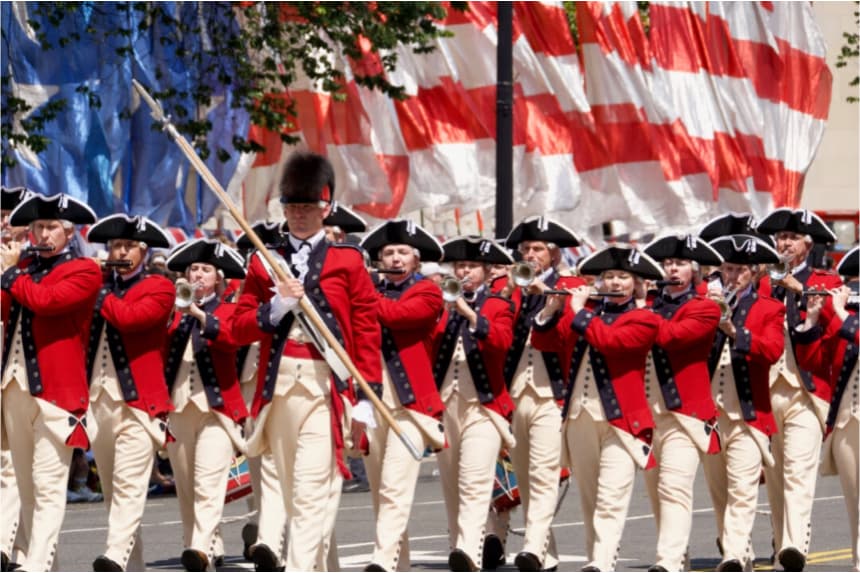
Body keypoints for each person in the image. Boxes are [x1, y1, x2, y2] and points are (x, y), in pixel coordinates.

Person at [233, 151, 381, 572]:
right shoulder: (265, 262)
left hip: (324, 387)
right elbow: (239, 326)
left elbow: (367, 331)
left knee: (313, 489)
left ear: (326, 208)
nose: (298, 215)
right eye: (292, 207)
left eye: (308, 207)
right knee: (286, 486)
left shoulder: (347, 261)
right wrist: (275, 308)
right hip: (277, 388)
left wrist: (369, 396)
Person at [532, 244, 662, 573]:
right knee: (589, 498)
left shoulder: (644, 318)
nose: (615, 283)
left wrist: (576, 309)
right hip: (579, 414)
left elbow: (610, 342)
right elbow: (547, 342)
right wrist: (550, 309)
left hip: (622, 421)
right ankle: (597, 561)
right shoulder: (586, 311)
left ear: (637, 284)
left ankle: (602, 564)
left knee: (611, 497)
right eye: (609, 277)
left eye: (623, 277)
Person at [0, 193, 101, 572]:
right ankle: (38, 562)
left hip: (57, 395)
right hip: (13, 388)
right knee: (24, 489)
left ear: (68, 232)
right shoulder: (21, 267)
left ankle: (35, 565)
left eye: (51, 228)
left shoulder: (85, 270)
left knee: (47, 487)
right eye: (38, 227)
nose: (43, 234)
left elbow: (47, 301)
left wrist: (10, 274)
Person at [484, 216, 585, 572]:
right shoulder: (509, 287)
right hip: (514, 391)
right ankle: (545, 554)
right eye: (525, 249)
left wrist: (551, 302)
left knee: (544, 473)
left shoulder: (571, 285)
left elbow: (565, 338)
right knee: (524, 477)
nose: (530, 254)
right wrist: (504, 292)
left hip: (551, 393)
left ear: (554, 255)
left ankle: (530, 546)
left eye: (538, 249)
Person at [83, 214, 176, 571]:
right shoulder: (101, 287)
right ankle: (129, 563)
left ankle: (113, 558)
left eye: (127, 246)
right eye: (114, 246)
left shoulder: (159, 287)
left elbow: (131, 319)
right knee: (112, 491)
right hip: (97, 400)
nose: (119, 252)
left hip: (140, 405)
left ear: (142, 250)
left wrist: (98, 289)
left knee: (128, 486)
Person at [355, 219, 446, 572]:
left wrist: (360, 293)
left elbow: (398, 315)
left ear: (416, 260)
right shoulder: (371, 292)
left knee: (395, 486)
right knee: (381, 491)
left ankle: (380, 561)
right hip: (370, 400)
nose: (394, 258)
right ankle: (398, 563)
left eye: (402, 252)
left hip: (411, 405)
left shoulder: (428, 292)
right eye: (388, 253)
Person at [755, 209, 842, 571]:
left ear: (807, 243)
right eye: (780, 238)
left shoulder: (824, 279)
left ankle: (795, 544)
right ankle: (781, 542)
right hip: (767, 390)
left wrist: (802, 290)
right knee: (774, 476)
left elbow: (836, 321)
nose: (784, 243)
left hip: (805, 392)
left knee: (797, 472)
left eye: (792, 238)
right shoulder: (762, 282)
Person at [430, 236, 516, 572]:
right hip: (446, 403)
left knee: (474, 478)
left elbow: (501, 341)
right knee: (451, 481)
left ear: (486, 271)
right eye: (460, 267)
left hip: (485, 406)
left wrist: (467, 313)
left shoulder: (498, 305)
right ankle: (459, 546)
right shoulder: (439, 304)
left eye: (471, 267)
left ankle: (469, 548)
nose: (465, 272)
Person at [164, 238, 249, 572]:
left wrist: (197, 312)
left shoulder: (228, 308)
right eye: (194, 269)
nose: (198, 275)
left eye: (205, 270)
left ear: (219, 278)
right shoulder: (174, 312)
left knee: (207, 481)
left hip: (217, 409)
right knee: (185, 486)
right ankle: (203, 547)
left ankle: (199, 546)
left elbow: (229, 337)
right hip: (179, 406)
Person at [640, 235, 724, 572]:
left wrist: (638, 311)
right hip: (646, 412)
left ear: (694, 271)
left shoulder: (704, 307)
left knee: (673, 487)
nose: (672, 269)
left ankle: (668, 562)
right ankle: (679, 557)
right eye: (668, 264)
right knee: (656, 494)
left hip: (685, 414)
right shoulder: (649, 304)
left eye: (679, 264)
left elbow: (672, 337)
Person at [704, 234, 785, 572]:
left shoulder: (769, 308)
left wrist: (736, 332)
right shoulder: (705, 303)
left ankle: (734, 554)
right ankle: (738, 550)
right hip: (709, 412)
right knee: (719, 492)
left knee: (742, 488)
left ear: (753, 273)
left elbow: (772, 351)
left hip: (749, 412)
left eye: (739, 270)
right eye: (727, 269)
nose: (732, 276)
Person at [794, 246, 859, 572]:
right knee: (856, 506)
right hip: (848, 422)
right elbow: (816, 364)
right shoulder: (845, 315)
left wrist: (843, 314)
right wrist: (815, 317)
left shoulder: (849, 318)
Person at [0, 186, 35, 571]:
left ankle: (8, 546)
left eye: (11, 216)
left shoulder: (30, 264)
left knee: (12, 464)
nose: (4, 222)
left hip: (19, 370)